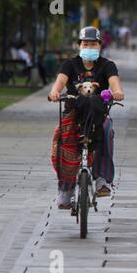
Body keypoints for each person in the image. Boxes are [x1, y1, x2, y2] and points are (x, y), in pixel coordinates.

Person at [48, 26, 125, 209]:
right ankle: (66, 189)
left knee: (106, 131)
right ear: (79, 45)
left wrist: (117, 92)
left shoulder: (107, 65)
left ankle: (102, 179)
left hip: (98, 115)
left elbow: (115, 83)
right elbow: (59, 83)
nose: (88, 46)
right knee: (62, 139)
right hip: (73, 113)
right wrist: (55, 92)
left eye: (92, 43)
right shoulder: (70, 64)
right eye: (85, 43)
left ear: (99, 45)